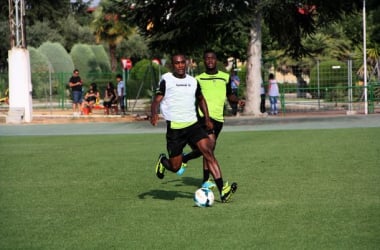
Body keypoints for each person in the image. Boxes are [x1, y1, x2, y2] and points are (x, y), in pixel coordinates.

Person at [150, 53, 237, 203]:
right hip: (175, 130)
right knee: (176, 167)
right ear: (172, 65)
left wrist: (208, 119)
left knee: (208, 151)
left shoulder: (193, 81)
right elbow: (156, 100)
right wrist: (153, 113)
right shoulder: (167, 80)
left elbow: (201, 99)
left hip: (193, 125)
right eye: (177, 63)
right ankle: (164, 161)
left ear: (187, 63)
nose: (180, 65)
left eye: (182, 62)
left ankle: (223, 190)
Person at [179, 50, 239, 190]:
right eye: (207, 58)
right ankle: (207, 181)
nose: (210, 60)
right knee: (209, 149)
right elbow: (193, 98)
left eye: (212, 58)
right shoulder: (198, 79)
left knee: (208, 151)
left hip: (219, 119)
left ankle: (185, 159)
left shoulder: (225, 77)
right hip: (205, 118)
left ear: (216, 60)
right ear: (204, 61)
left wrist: (238, 100)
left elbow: (229, 95)